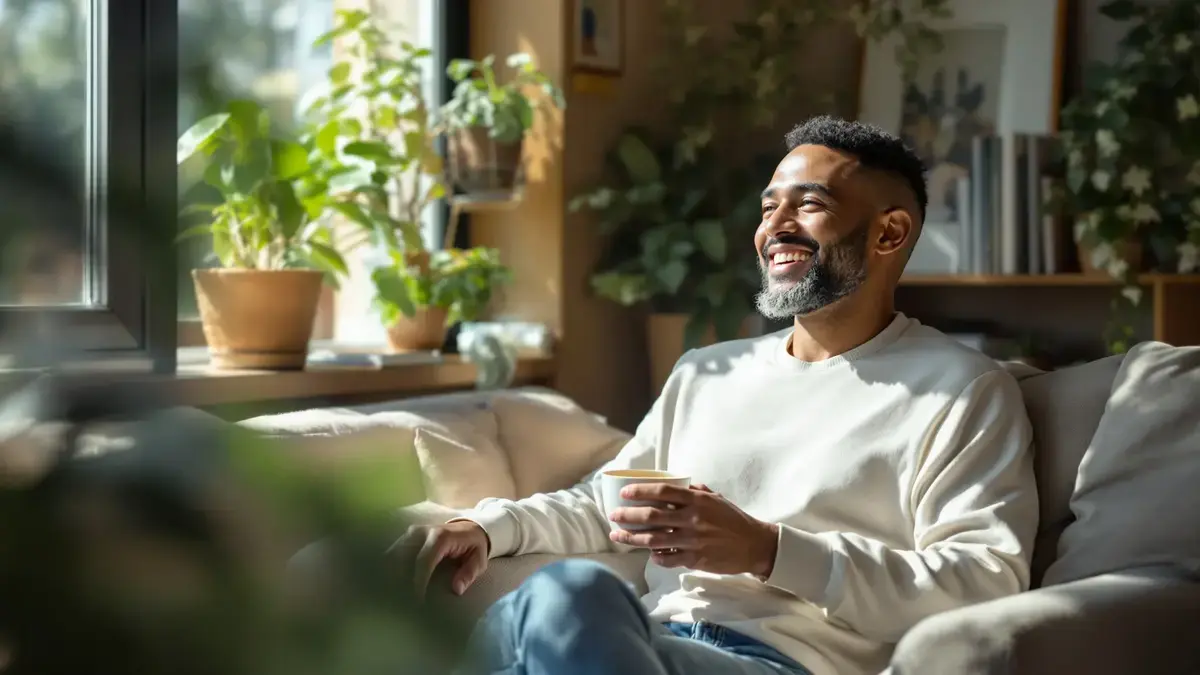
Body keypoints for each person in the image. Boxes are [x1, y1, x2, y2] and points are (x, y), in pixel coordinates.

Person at [399, 116, 1039, 675]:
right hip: (643, 647)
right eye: (768, 208)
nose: (775, 227)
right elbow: (610, 506)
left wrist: (769, 551)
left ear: (889, 233)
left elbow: (982, 585)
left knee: (570, 598)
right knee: (549, 610)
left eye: (807, 205)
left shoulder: (962, 391)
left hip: (781, 665)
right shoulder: (707, 373)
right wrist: (486, 527)